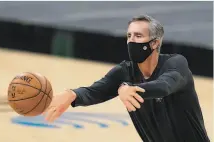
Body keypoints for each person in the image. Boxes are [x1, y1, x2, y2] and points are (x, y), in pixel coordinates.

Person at [44, 15, 210, 142]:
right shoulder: (125, 71)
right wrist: (72, 94)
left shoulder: (176, 63)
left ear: (154, 43)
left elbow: (165, 86)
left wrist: (129, 88)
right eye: (129, 36)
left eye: (138, 36)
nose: (131, 41)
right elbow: (96, 91)